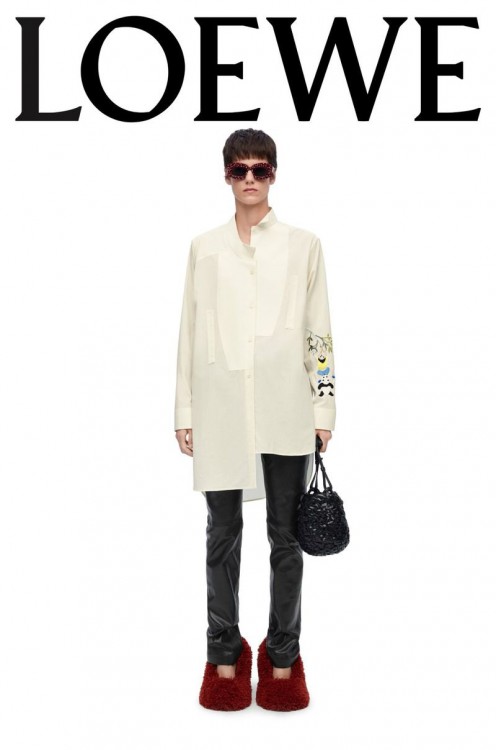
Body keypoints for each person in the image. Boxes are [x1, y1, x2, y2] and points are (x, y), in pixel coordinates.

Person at [174, 128, 336, 710]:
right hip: (219, 406)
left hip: (286, 404)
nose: (249, 179)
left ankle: (282, 657)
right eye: (239, 169)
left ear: (273, 175)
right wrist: (185, 407)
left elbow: (318, 333)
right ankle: (224, 654)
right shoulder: (204, 248)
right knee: (221, 534)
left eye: (259, 169)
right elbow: (190, 331)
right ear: (226, 175)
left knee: (285, 537)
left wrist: (323, 404)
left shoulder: (304, 245)